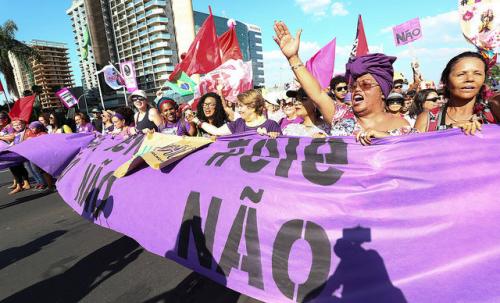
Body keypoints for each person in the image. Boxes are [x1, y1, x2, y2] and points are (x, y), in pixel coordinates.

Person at [273, 21, 411, 145]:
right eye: (353, 86)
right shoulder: (341, 115)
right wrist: (293, 58)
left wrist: (387, 139)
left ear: (383, 91)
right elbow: (318, 94)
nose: (357, 90)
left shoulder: (402, 126)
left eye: (366, 85)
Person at [415, 51, 499, 134]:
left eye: (477, 74)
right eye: (461, 74)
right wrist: (449, 131)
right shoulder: (427, 120)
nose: (470, 79)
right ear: (446, 80)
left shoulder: (494, 111)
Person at [190, 89, 281, 137]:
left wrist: (275, 137)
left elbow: (282, 150)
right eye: (238, 106)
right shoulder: (238, 123)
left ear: (252, 107)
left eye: (241, 106)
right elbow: (216, 131)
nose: (238, 109)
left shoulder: (272, 125)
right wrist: (196, 120)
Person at [24, 121, 50, 191]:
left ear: (39, 128)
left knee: (37, 169)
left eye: (33, 128)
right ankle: (39, 182)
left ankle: (44, 183)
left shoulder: (43, 134)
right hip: (30, 154)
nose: (31, 130)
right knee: (30, 169)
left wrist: (31, 140)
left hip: (38, 155)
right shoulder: (31, 134)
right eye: (31, 128)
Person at [8, 119, 31, 194]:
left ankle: (21, 185)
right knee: (16, 168)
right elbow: (13, 141)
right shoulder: (17, 133)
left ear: (24, 124)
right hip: (17, 152)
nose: (17, 126)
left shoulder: (27, 131)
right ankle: (21, 184)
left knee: (18, 168)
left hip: (23, 152)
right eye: (15, 125)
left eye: (19, 124)